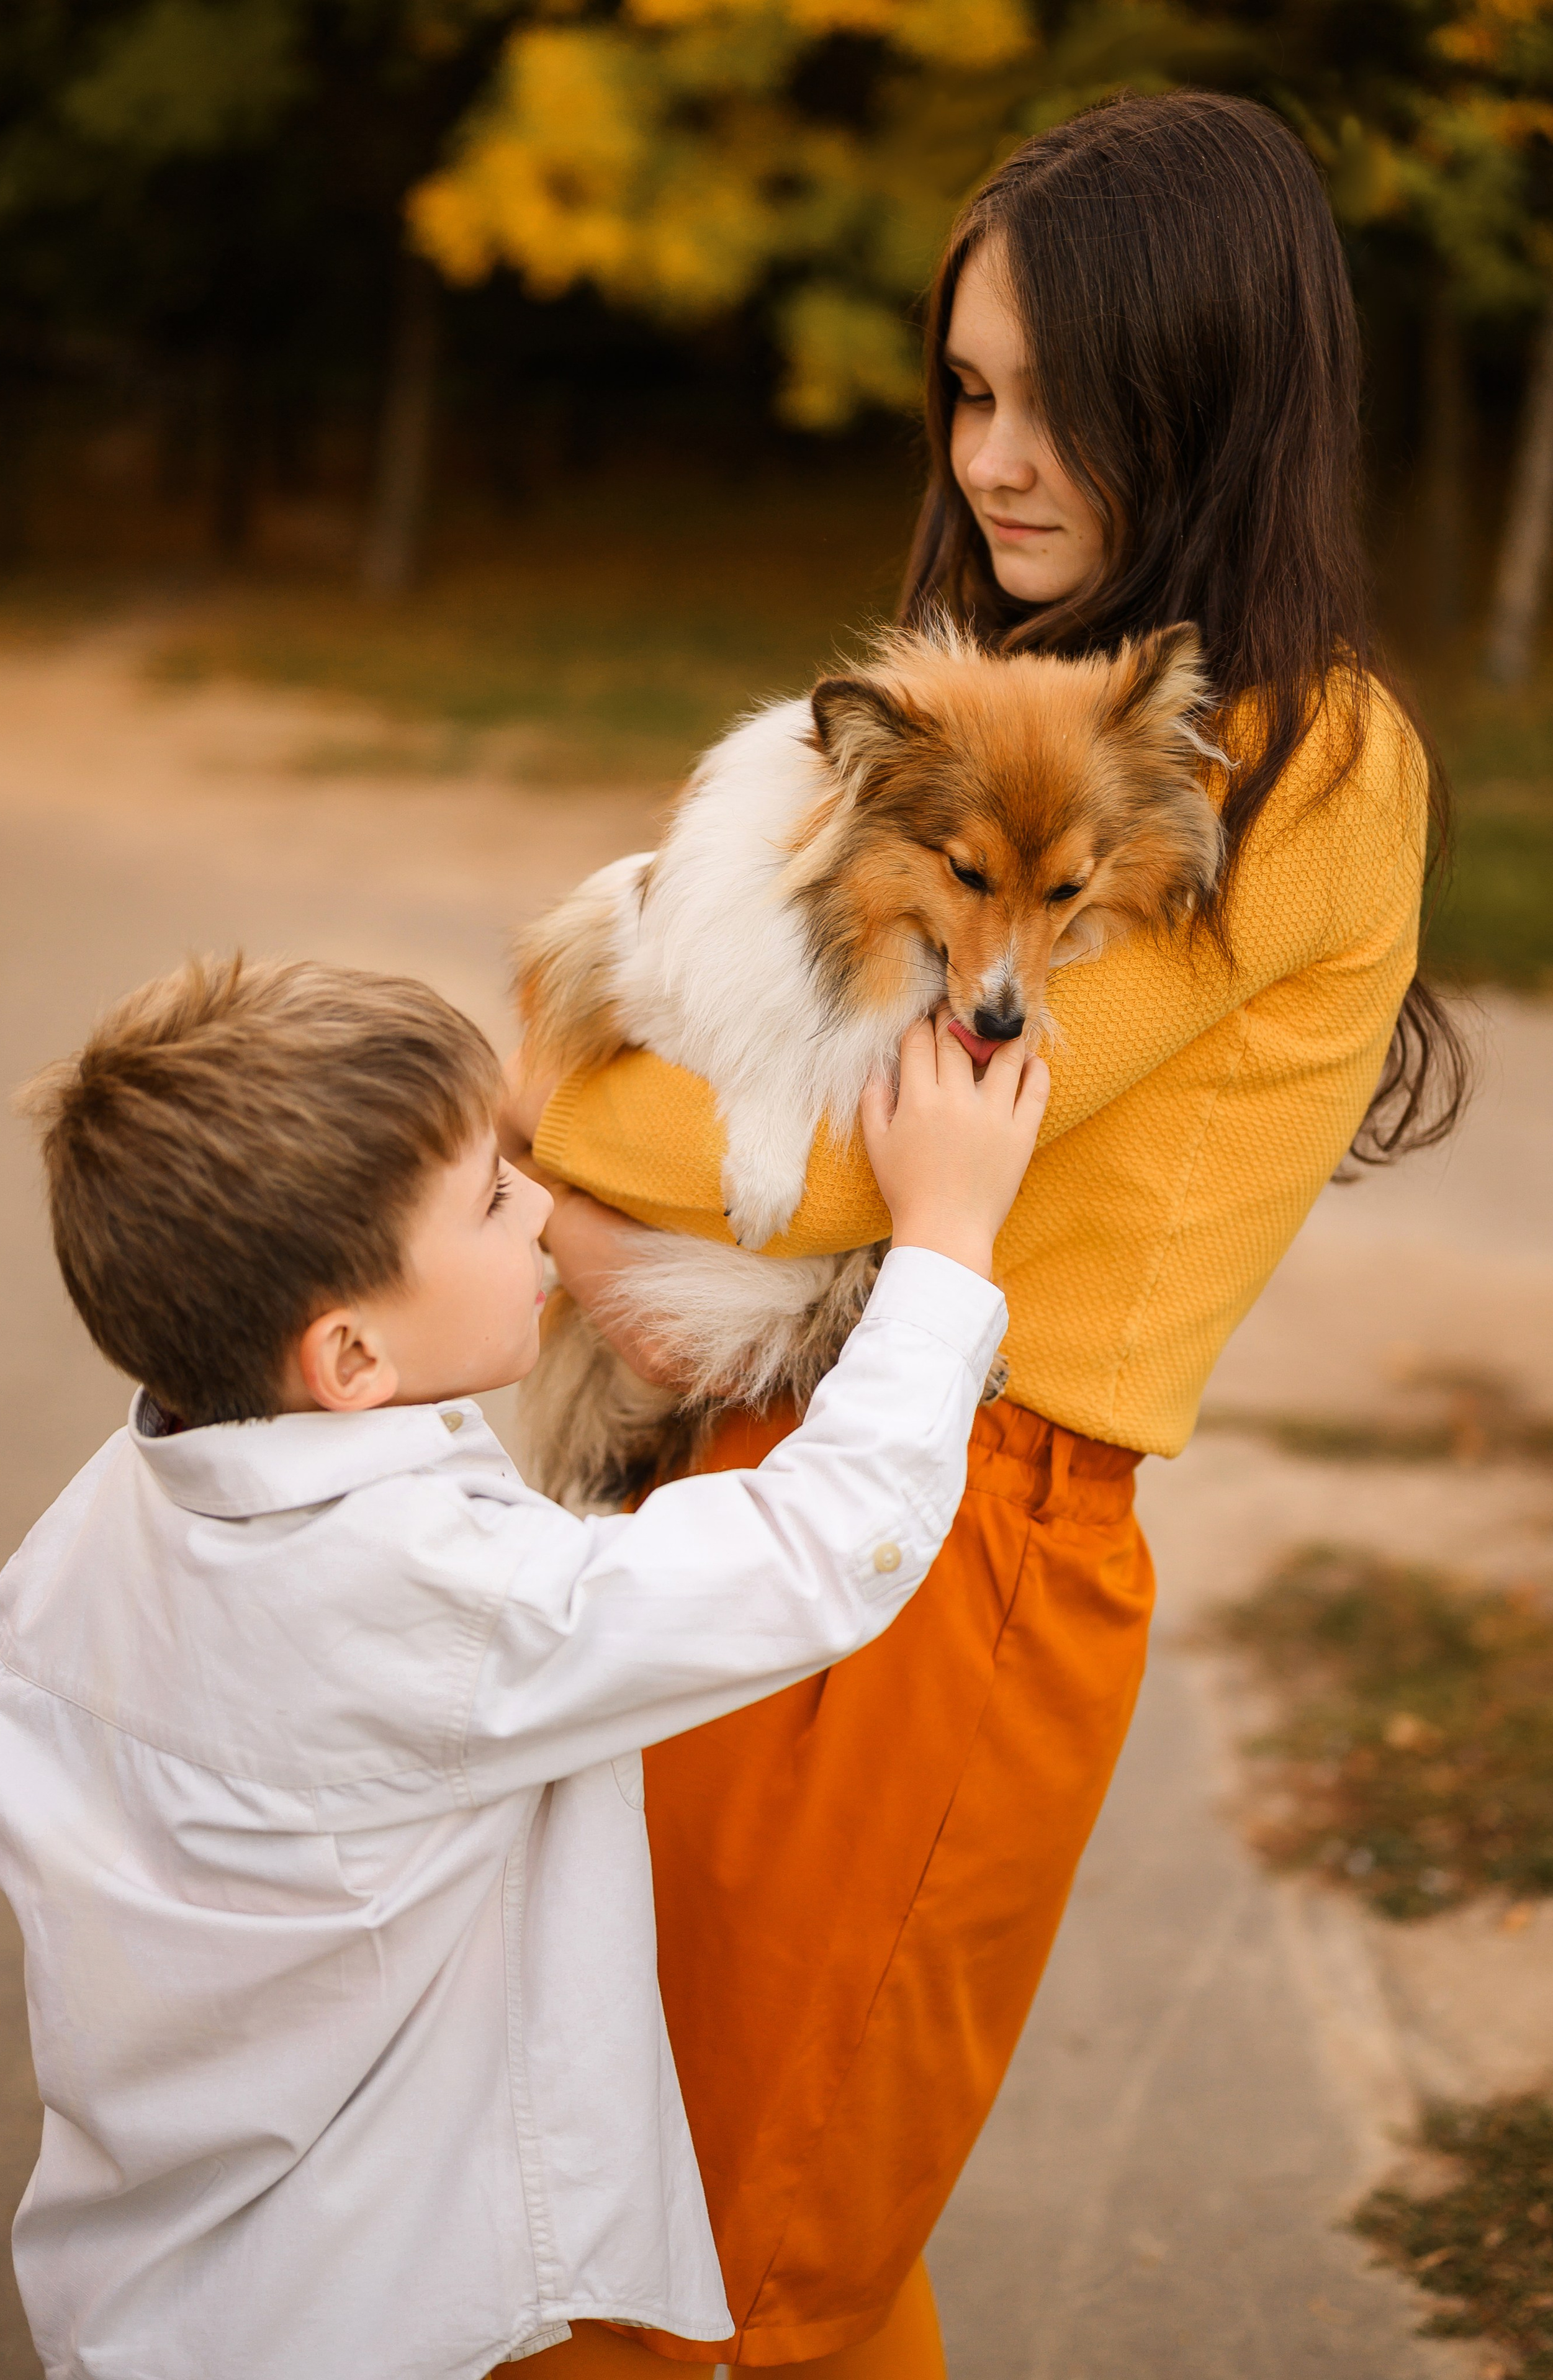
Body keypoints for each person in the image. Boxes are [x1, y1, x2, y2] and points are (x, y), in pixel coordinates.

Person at [500, 89, 1471, 2380]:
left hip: (963, 1537)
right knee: (666, 2185)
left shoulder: (1292, 760)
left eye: (1062, 399)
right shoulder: (1012, 696)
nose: (998, 454)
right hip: (778, 1466)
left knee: (726, 2243)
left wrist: (541, 1116)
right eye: (969, 390)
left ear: (1210, 393)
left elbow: (857, 1146)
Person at [0, 955, 1048, 2380]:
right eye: (489, 1198)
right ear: (349, 1356)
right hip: (379, 2315)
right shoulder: (418, 1601)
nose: (538, 1202)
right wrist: (944, 1236)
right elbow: (809, 1553)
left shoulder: (92, 1534)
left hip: (169, 2290)